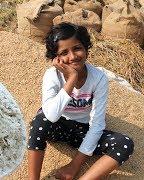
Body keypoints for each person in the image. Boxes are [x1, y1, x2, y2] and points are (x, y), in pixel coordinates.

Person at [27, 22, 134, 180]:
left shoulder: (98, 79)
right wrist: (72, 79)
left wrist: (74, 166)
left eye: (77, 48)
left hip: (84, 131)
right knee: (39, 121)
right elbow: (50, 116)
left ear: (85, 47)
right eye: (64, 52)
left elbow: (97, 124)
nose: (72, 56)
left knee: (125, 144)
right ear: (56, 58)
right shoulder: (52, 76)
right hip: (58, 126)